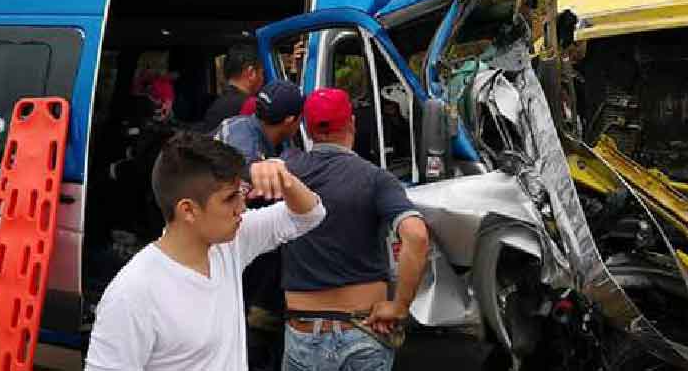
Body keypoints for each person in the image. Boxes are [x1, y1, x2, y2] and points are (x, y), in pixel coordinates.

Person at [84, 132, 325, 371]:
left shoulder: (229, 244)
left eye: (242, 193)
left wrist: (284, 177)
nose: (241, 207)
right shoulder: (134, 292)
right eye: (230, 198)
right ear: (188, 210)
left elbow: (309, 215)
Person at [280, 88, 430, 371]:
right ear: (351, 123)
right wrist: (400, 306)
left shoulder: (284, 174)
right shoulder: (375, 179)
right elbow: (417, 236)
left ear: (307, 129)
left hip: (302, 332)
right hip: (362, 329)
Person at [214, 80, 305, 371]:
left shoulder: (281, 143)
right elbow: (244, 167)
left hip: (253, 258)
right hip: (223, 249)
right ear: (291, 121)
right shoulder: (239, 131)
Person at [201, 44, 264, 132]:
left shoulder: (215, 106)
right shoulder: (252, 106)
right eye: (262, 73)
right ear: (251, 73)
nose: (262, 79)